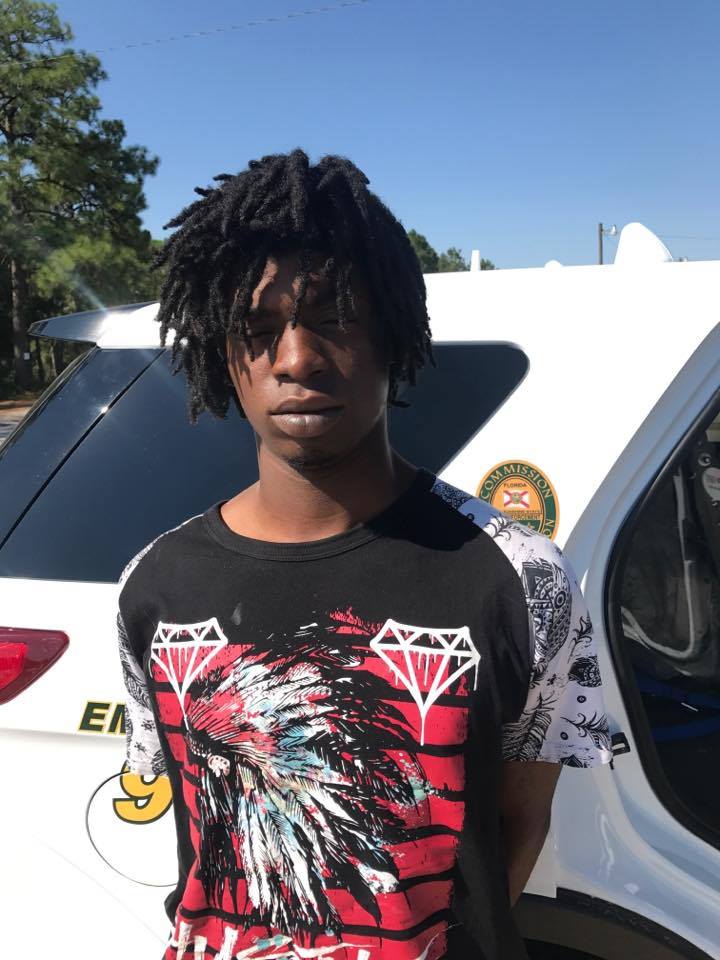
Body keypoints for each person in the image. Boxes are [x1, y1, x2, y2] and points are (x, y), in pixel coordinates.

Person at [117, 148, 613, 960]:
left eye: (335, 317)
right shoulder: (154, 585)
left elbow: (521, 819)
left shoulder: (520, 576)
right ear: (222, 355)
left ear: (393, 334)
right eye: (257, 330)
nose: (296, 359)